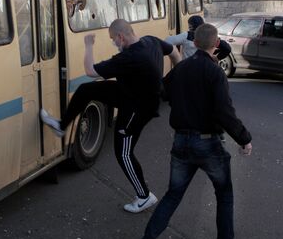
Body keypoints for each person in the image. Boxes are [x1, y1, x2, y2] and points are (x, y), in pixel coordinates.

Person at [41, 19, 181, 213]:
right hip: (130, 92)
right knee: (86, 90)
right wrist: (172, 81)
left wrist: (89, 45)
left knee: (123, 152)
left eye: (113, 40)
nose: (113, 43)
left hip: (137, 109)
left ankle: (144, 196)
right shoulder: (152, 41)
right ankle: (61, 125)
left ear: (121, 37)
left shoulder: (129, 57)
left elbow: (90, 70)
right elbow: (174, 52)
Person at [139, 23, 253, 239]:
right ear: (216, 44)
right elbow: (224, 112)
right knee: (224, 195)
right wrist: (244, 139)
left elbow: (162, 92)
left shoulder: (180, 69)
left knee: (173, 195)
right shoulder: (215, 72)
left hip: (181, 142)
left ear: (194, 43)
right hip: (208, 144)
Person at [165, 15, 231, 61]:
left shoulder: (187, 35)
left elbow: (167, 41)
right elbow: (227, 48)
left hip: (189, 67)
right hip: (206, 67)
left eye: (189, 26)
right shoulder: (209, 36)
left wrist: (176, 55)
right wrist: (217, 58)